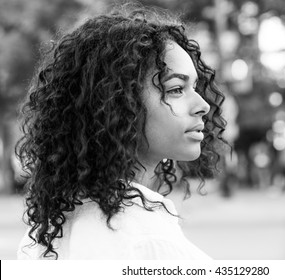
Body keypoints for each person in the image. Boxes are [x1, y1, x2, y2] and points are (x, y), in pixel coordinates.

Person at [15, 3, 226, 260]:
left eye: (195, 87)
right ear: (117, 102)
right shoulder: (147, 241)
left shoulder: (42, 237)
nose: (203, 106)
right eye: (175, 89)